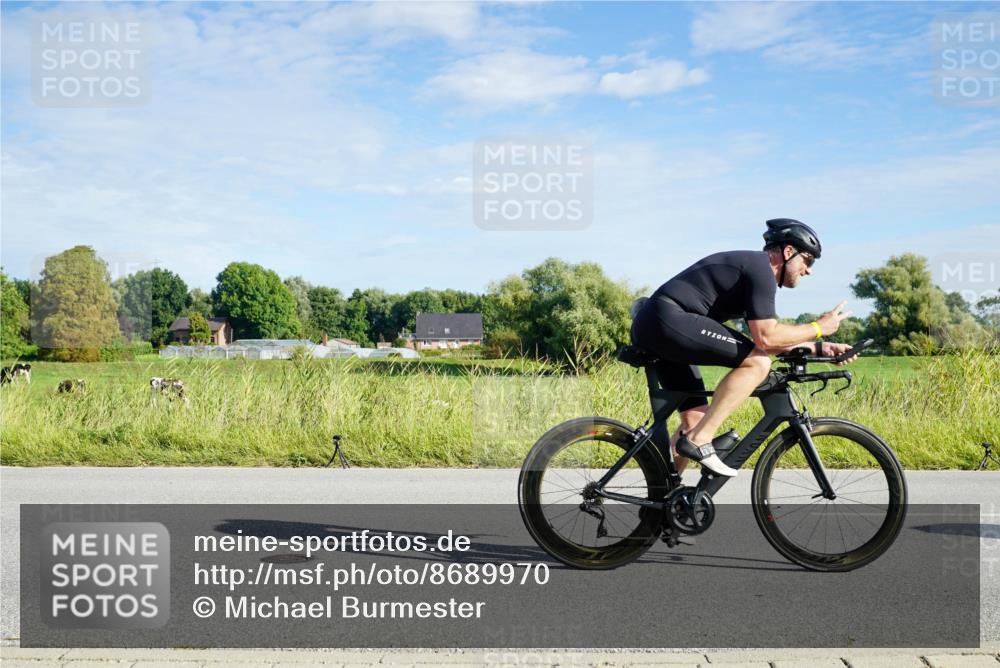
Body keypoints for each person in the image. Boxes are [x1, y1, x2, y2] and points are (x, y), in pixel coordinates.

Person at [630, 218, 860, 477]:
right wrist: (819, 327)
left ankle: (664, 503)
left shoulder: (753, 272)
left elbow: (767, 338)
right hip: (668, 320)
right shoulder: (761, 270)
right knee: (758, 363)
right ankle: (700, 439)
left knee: (694, 418)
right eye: (808, 260)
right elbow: (766, 340)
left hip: (662, 325)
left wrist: (820, 348)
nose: (809, 270)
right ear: (788, 252)